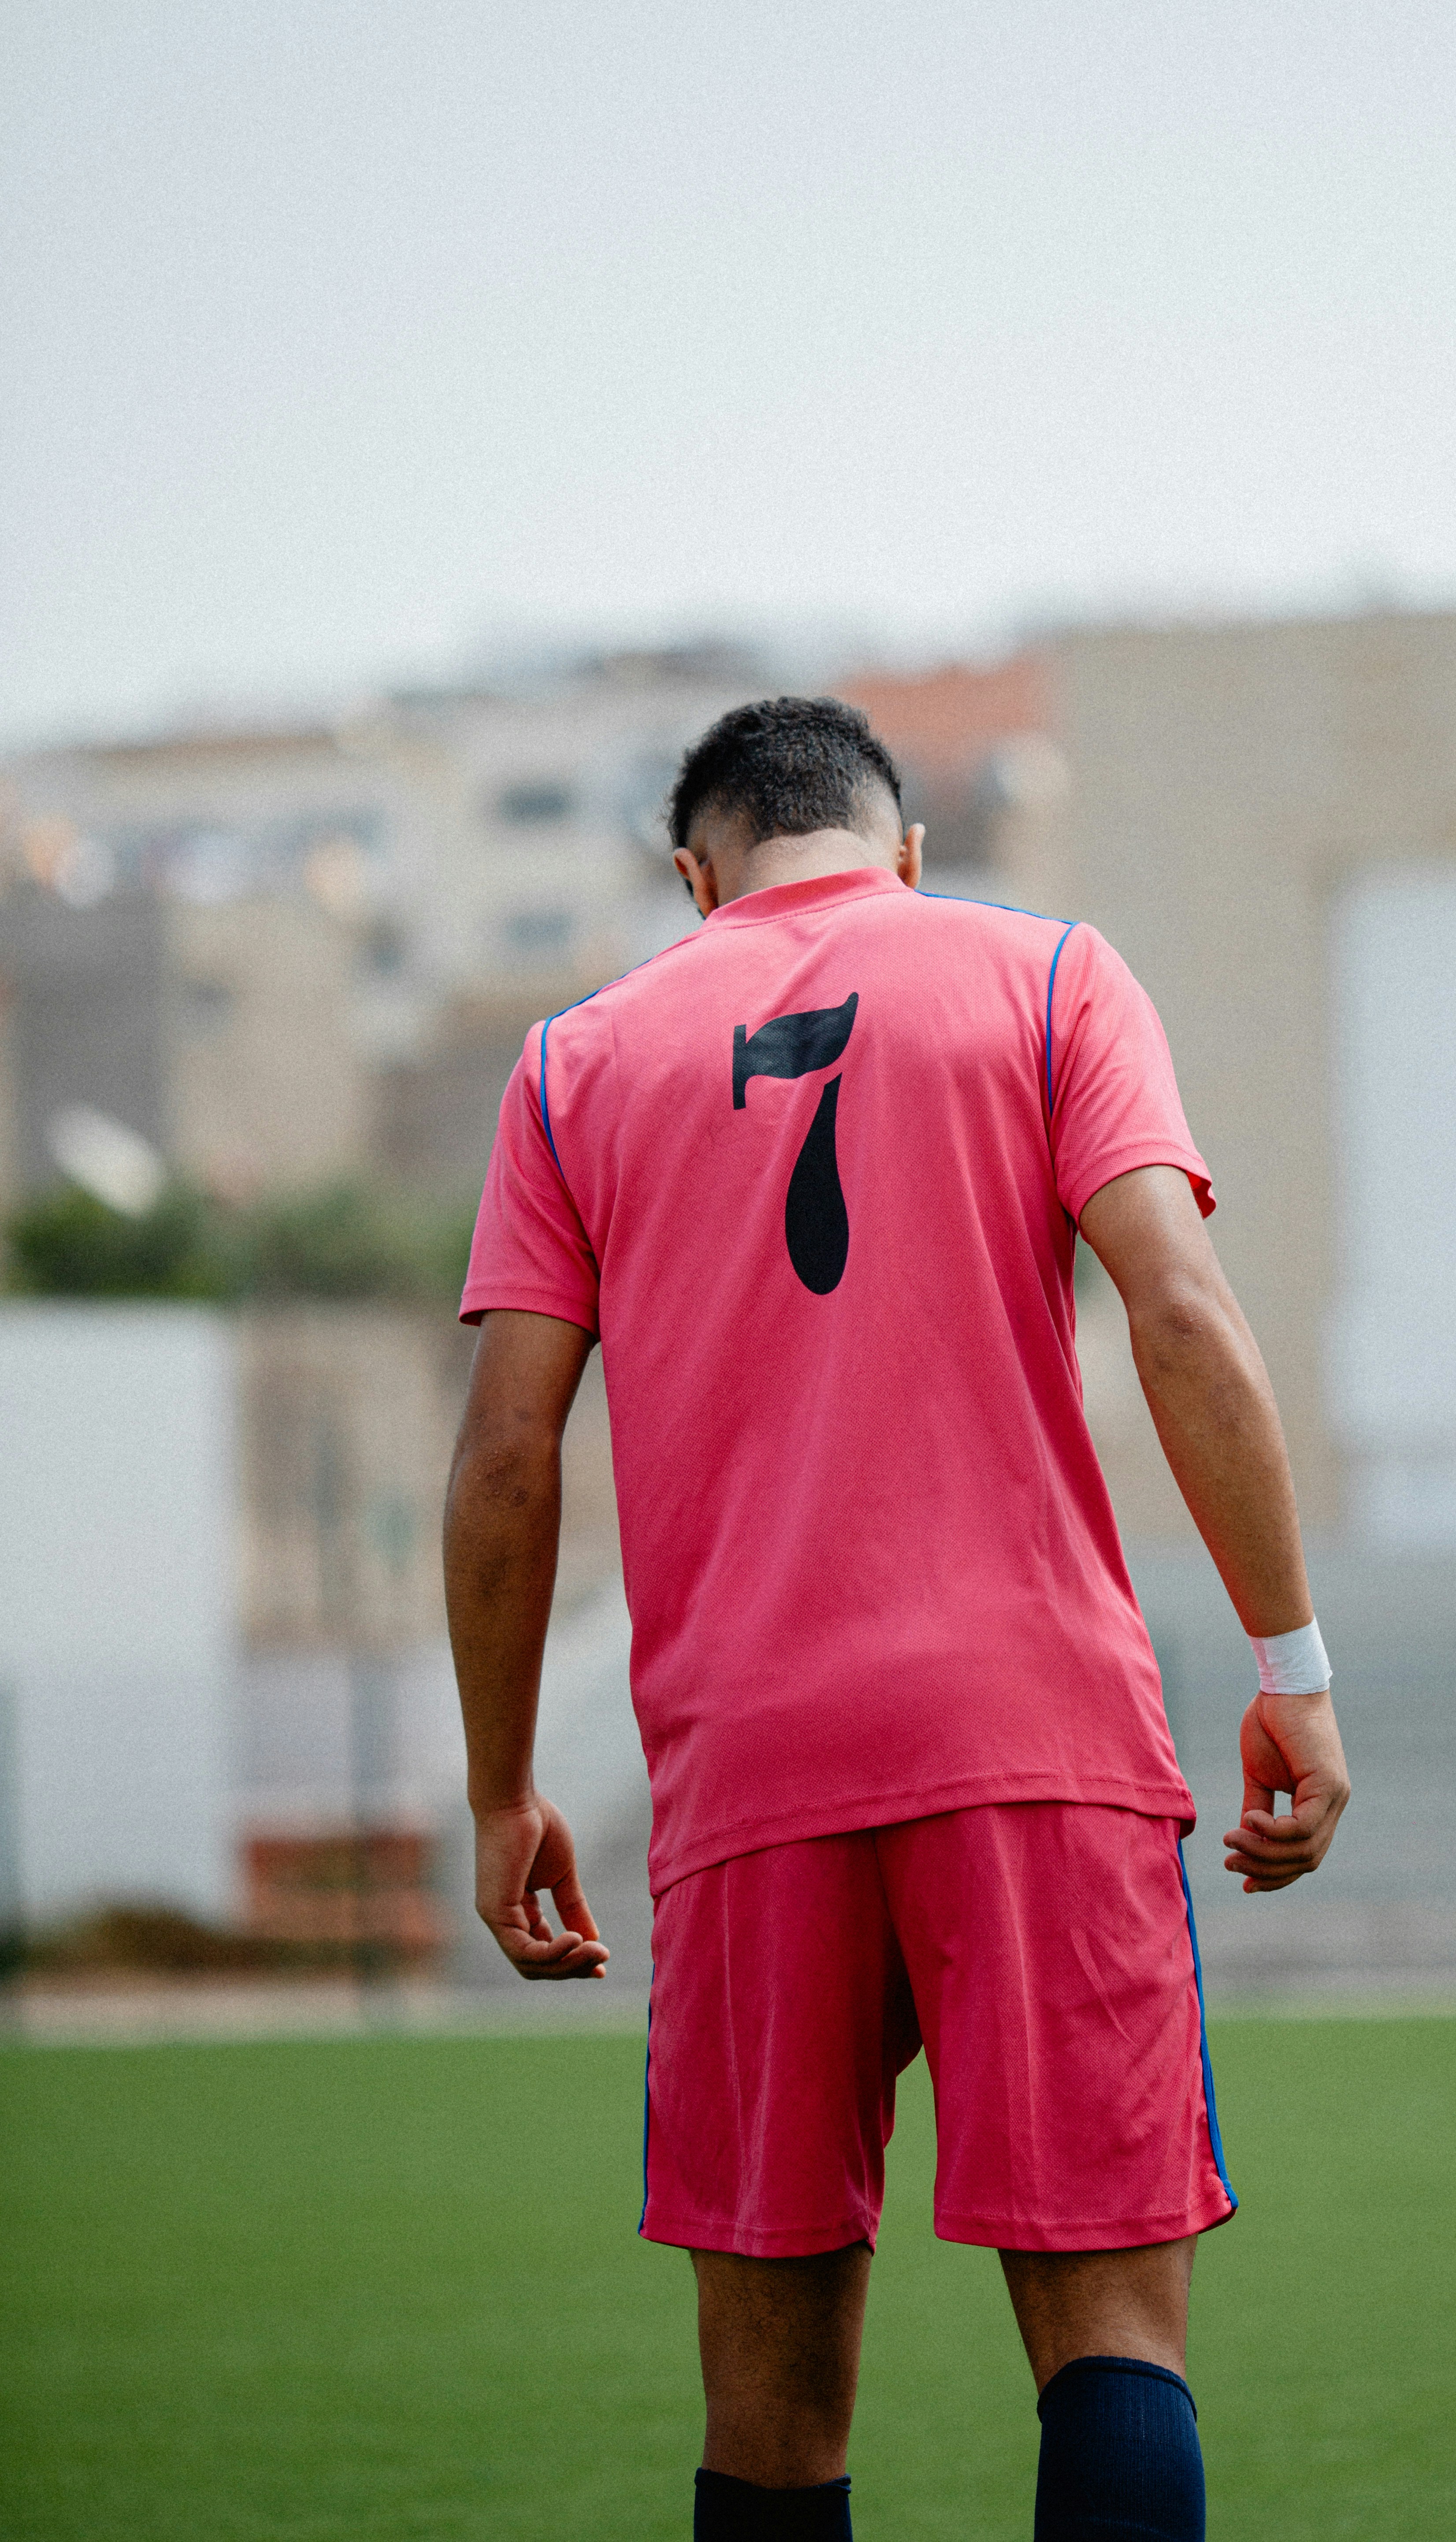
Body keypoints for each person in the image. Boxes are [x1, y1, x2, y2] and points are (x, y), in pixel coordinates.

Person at [444, 695, 1350, 2541]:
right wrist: (1290, 1670)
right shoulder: (1051, 976)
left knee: (769, 2409)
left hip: (747, 1770)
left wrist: (501, 1787)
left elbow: (507, 1453)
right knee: (1110, 2336)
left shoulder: (569, 1064)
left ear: (693, 879)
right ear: (907, 851)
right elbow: (1178, 1311)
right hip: (1034, 1733)